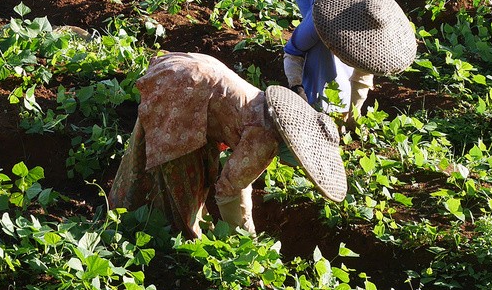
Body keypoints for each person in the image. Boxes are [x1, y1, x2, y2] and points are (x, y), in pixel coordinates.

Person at [108, 52, 346, 239]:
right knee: (180, 175)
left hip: (188, 74)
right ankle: (163, 234)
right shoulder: (266, 137)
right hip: (185, 93)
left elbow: (241, 179)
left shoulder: (274, 113)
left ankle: (127, 212)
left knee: (158, 157)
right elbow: (231, 188)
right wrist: (244, 236)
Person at [284, 0, 416, 124]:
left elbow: (365, 68)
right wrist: (297, 87)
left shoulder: (375, 13)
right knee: (318, 46)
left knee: (356, 53)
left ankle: (341, 107)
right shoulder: (317, 21)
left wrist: (354, 114)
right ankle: (313, 106)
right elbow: (292, 51)